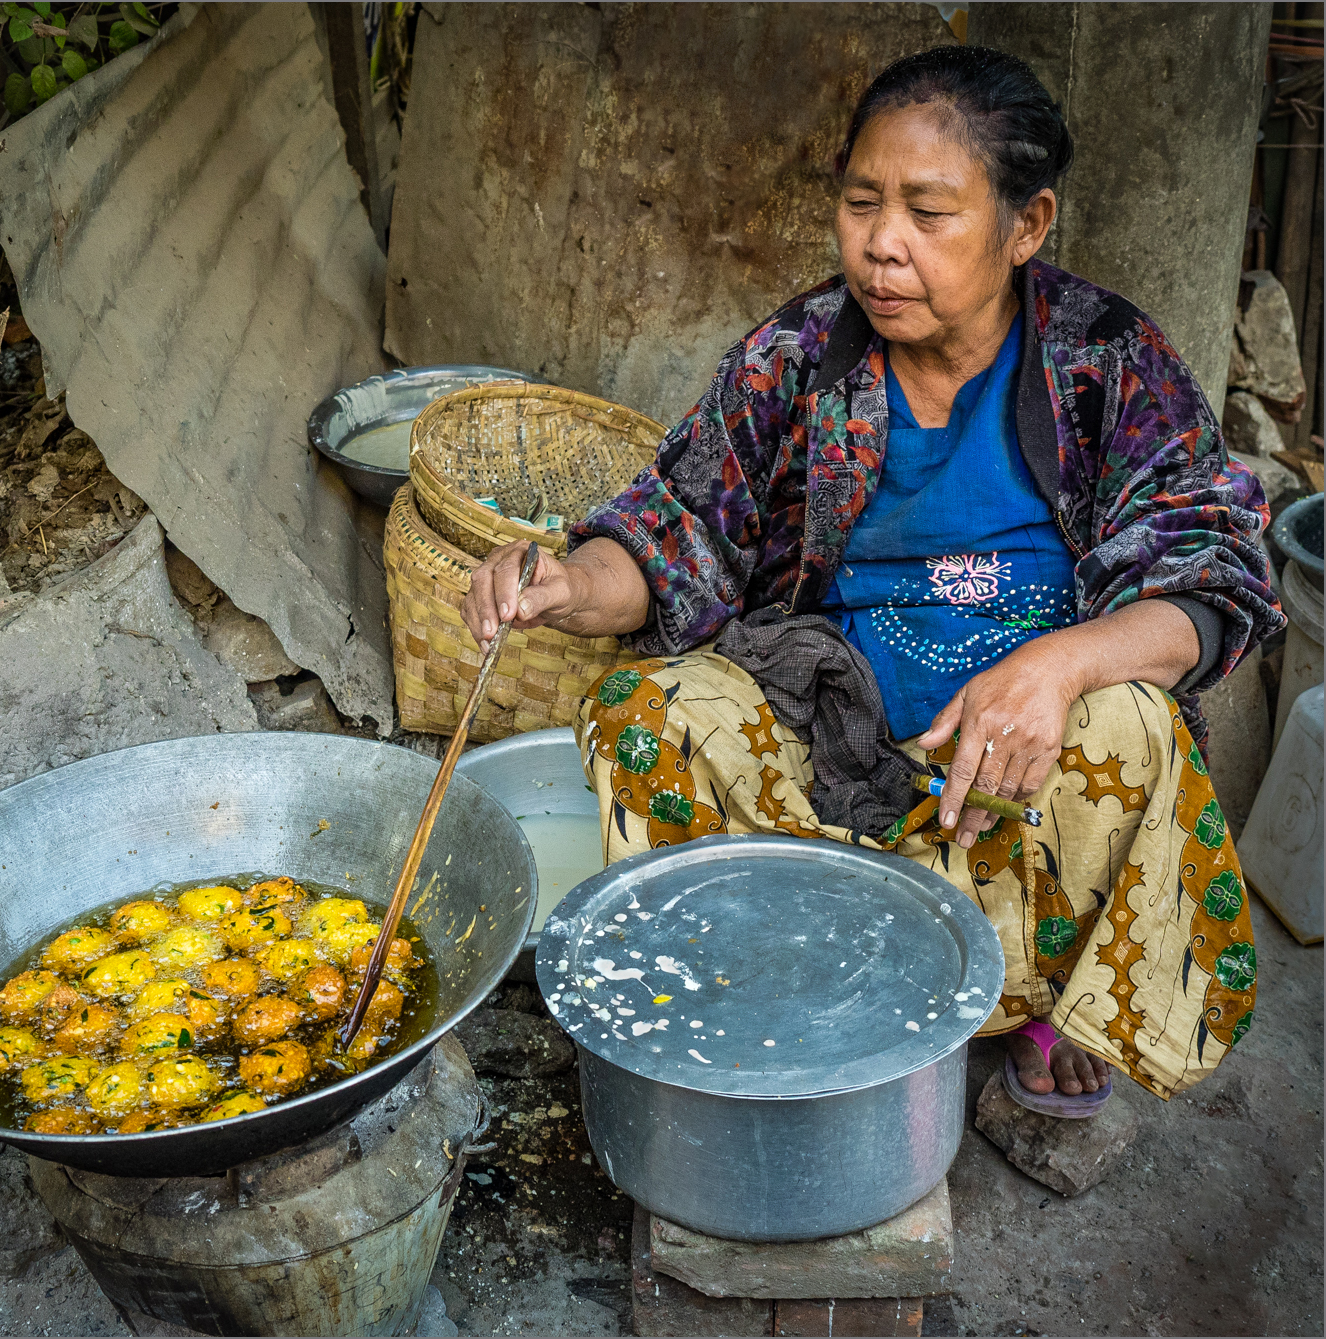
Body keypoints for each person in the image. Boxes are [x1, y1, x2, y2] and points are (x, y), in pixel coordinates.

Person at [460, 46, 1282, 1112]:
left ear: (1024, 226)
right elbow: (678, 532)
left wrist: (1055, 666)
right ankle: (770, 1005)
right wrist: (568, 582)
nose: (881, 244)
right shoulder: (800, 357)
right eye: (861, 203)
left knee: (1132, 721)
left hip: (1021, 769)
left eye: (928, 213)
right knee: (639, 712)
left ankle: (1044, 995)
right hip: (828, 739)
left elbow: (1215, 573)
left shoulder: (1104, 361)